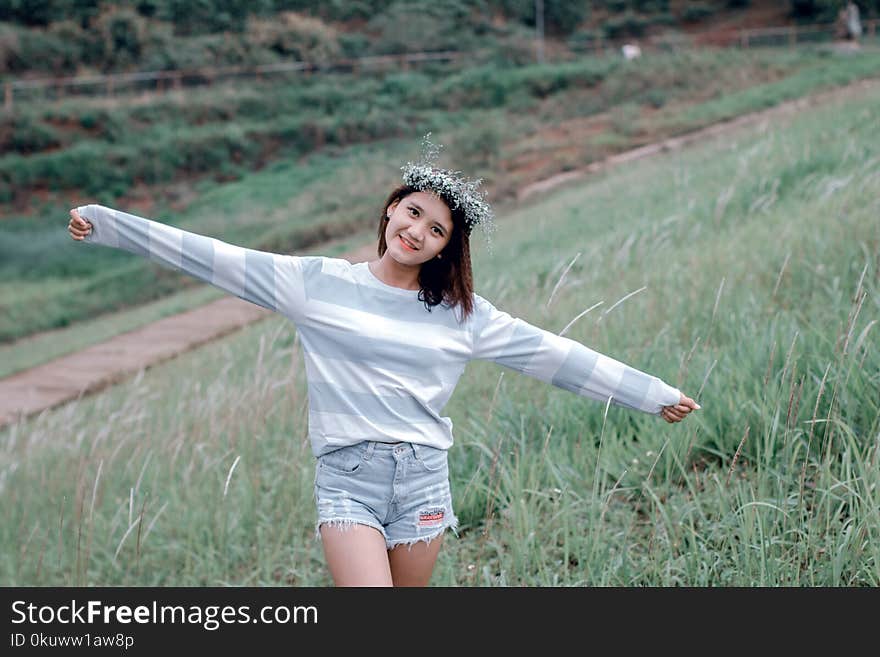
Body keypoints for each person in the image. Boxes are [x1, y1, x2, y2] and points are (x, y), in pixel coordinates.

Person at [67, 133, 700, 587]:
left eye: (437, 229)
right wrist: (106, 225)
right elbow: (212, 256)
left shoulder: (463, 315)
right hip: (348, 479)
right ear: (392, 209)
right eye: (414, 212)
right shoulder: (315, 283)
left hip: (423, 480)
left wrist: (652, 394)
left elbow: (555, 356)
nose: (418, 230)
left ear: (446, 249)